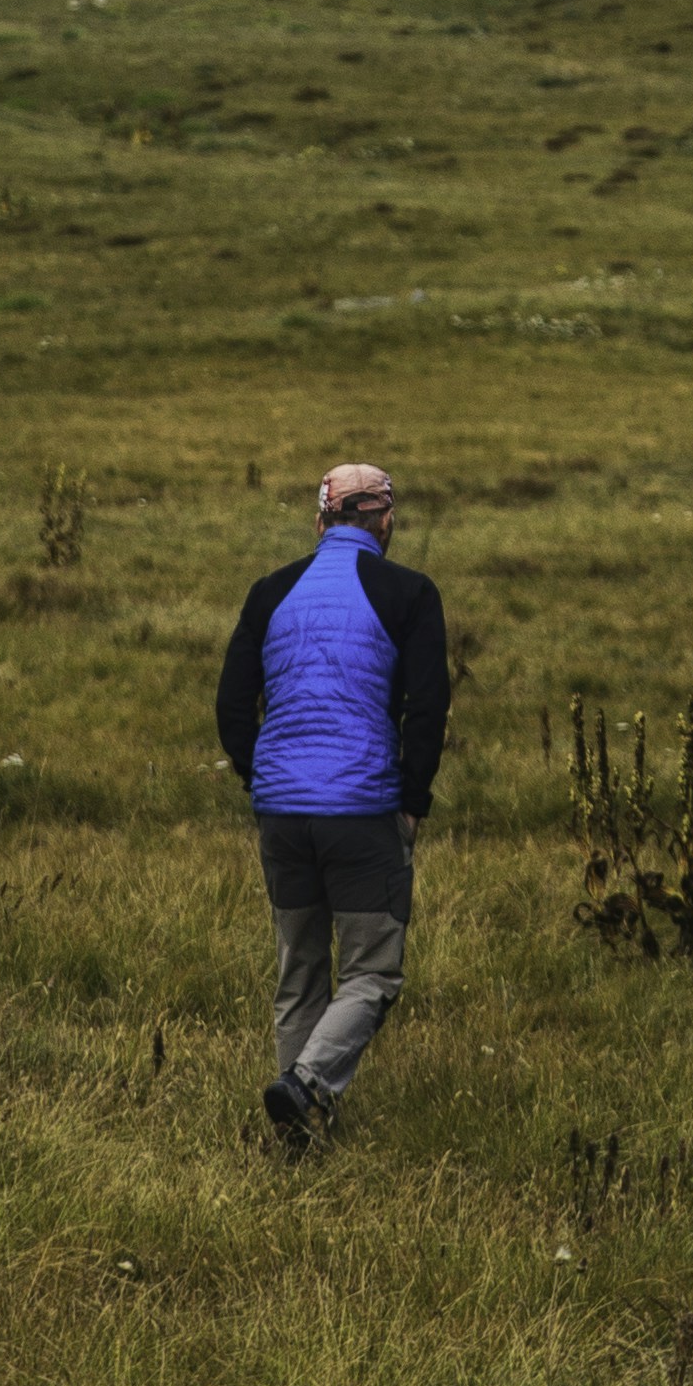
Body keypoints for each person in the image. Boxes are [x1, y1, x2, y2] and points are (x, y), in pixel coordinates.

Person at [213, 456, 450, 1145]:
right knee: (372, 973)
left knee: (301, 973)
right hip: (363, 810)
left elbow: (232, 705)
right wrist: (412, 800)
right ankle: (307, 1084)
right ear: (386, 521)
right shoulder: (410, 592)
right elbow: (427, 706)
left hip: (282, 814)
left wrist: (260, 777)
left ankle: (299, 1140)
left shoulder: (270, 590)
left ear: (319, 521)